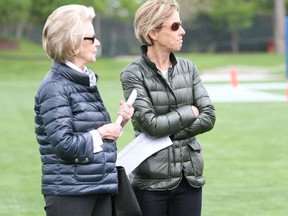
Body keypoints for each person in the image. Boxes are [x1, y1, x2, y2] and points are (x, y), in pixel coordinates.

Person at [34, 4, 134, 216]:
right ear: (72, 44)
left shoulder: (83, 80)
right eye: (91, 38)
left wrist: (118, 124)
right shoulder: (55, 87)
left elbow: (90, 137)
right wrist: (101, 133)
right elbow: (65, 145)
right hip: (71, 195)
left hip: (99, 186)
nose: (98, 43)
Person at [120, 0, 216, 216]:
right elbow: (152, 126)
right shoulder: (132, 74)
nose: (182, 31)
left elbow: (209, 116)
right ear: (153, 32)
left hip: (189, 177)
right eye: (175, 26)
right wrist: (190, 112)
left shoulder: (188, 67)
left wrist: (168, 135)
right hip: (150, 182)